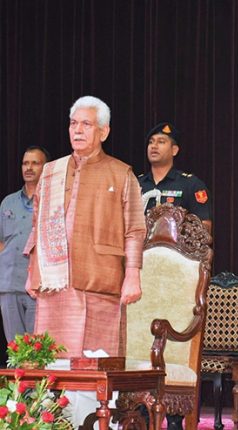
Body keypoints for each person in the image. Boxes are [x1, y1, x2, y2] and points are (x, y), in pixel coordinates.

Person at [24, 95, 146, 358]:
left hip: (99, 279)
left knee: (95, 360)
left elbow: (135, 229)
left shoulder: (121, 172)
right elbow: (36, 224)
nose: (77, 130)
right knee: (52, 358)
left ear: (104, 131)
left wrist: (133, 275)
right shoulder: (51, 171)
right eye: (73, 123)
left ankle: (95, 402)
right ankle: (51, 401)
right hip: (54, 283)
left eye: (86, 124)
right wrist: (32, 270)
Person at [0, 146, 49, 345]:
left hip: (38, 288)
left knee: (36, 351)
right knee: (15, 349)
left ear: (45, 168)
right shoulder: (8, 202)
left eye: (35, 163)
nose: (29, 168)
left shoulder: (51, 201)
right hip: (9, 286)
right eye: (25, 163)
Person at [138, 122, 212, 232]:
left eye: (161, 142)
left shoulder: (191, 185)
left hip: (175, 248)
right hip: (140, 248)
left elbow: (204, 228)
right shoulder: (136, 183)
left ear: (174, 150)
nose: (154, 146)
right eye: (151, 142)